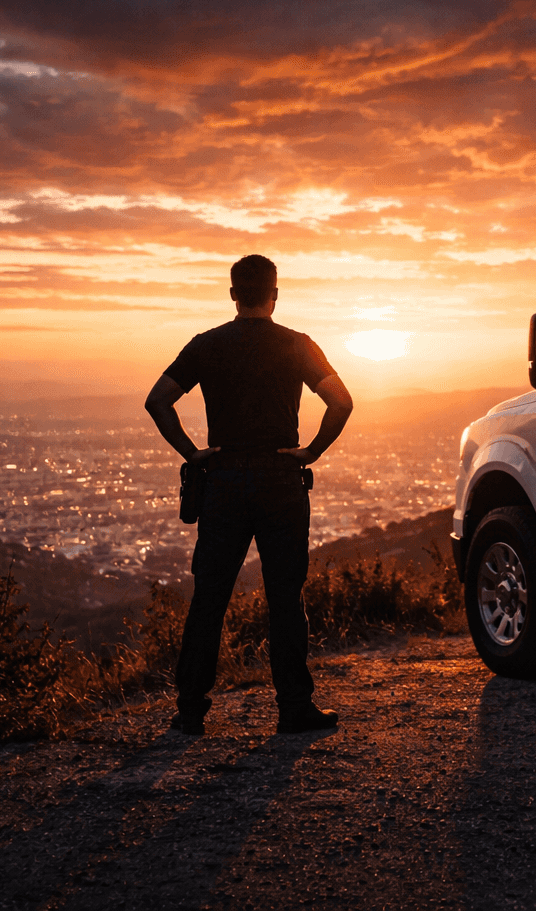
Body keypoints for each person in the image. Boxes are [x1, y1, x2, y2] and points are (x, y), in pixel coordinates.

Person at [145, 254, 354, 735]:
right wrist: (311, 452)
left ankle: (190, 711)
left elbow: (157, 401)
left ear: (233, 295)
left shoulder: (206, 344)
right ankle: (294, 708)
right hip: (281, 480)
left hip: (222, 482)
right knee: (285, 597)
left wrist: (194, 454)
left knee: (209, 597)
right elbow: (341, 401)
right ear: (274, 295)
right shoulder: (297, 345)